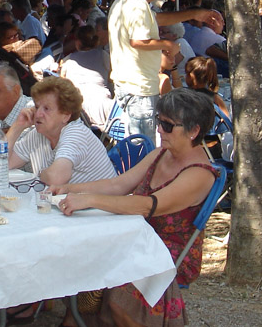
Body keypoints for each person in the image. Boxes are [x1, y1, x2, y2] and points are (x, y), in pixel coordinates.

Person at [54, 89, 218, 327]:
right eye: (159, 121)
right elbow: (118, 184)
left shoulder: (200, 174)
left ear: (194, 131)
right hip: (135, 236)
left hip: (165, 251)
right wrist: (69, 188)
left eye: (168, 125)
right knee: (79, 250)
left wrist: (90, 199)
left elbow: (147, 206)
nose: (159, 129)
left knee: (116, 287)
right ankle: (77, 318)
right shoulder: (161, 154)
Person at [108, 0, 221, 137]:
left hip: (132, 85)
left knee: (141, 148)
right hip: (139, 89)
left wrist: (194, 13)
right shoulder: (136, 4)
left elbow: (158, 20)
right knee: (143, 150)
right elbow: (137, 41)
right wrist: (168, 45)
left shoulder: (126, 1)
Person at [6, 77, 116, 185]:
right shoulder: (38, 135)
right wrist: (17, 126)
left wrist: (39, 175)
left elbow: (56, 178)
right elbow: (2, 164)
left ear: (66, 115)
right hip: (72, 201)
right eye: (37, 107)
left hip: (103, 201)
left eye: (46, 109)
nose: (38, 114)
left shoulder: (76, 134)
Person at [60, 25, 114, 129]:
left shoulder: (69, 60)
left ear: (78, 42)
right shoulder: (104, 55)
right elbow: (111, 78)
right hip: (103, 107)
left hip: (79, 110)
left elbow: (63, 82)